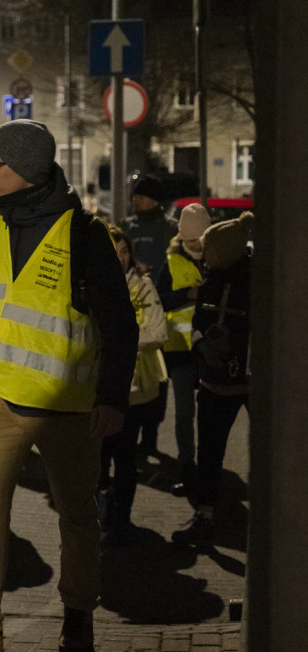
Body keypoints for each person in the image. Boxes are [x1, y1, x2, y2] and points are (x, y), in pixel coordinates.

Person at [0, 119, 138, 652]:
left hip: (70, 404)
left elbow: (120, 325)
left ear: (24, 167)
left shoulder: (84, 234)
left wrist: (112, 398)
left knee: (77, 518)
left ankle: (78, 627)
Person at [172, 212, 252, 547]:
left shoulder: (257, 282)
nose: (204, 256)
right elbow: (197, 321)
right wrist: (202, 343)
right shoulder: (211, 279)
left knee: (267, 452)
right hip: (213, 382)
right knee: (209, 453)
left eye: (210, 250)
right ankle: (205, 515)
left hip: (247, 381)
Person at [99, 227, 167, 547]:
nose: (121, 258)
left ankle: (122, 517)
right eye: (114, 252)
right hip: (98, 387)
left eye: (124, 251)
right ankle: (101, 512)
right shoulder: (91, 285)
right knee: (99, 457)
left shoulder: (143, 286)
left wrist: (120, 341)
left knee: (125, 457)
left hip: (135, 388)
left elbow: (158, 331)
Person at [157, 203, 210, 498]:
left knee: (209, 416)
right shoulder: (171, 262)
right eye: (191, 241)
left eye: (200, 240)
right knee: (184, 415)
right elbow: (160, 300)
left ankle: (208, 472)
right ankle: (187, 471)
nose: (196, 246)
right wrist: (185, 294)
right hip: (180, 349)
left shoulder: (217, 259)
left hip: (210, 350)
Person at [123, 173, 178, 461]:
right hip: (130, 309)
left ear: (155, 199)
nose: (136, 199)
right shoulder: (126, 227)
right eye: (135, 195)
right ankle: (129, 435)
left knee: (157, 375)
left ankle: (150, 436)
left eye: (141, 195)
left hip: (161, 309)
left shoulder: (170, 228)